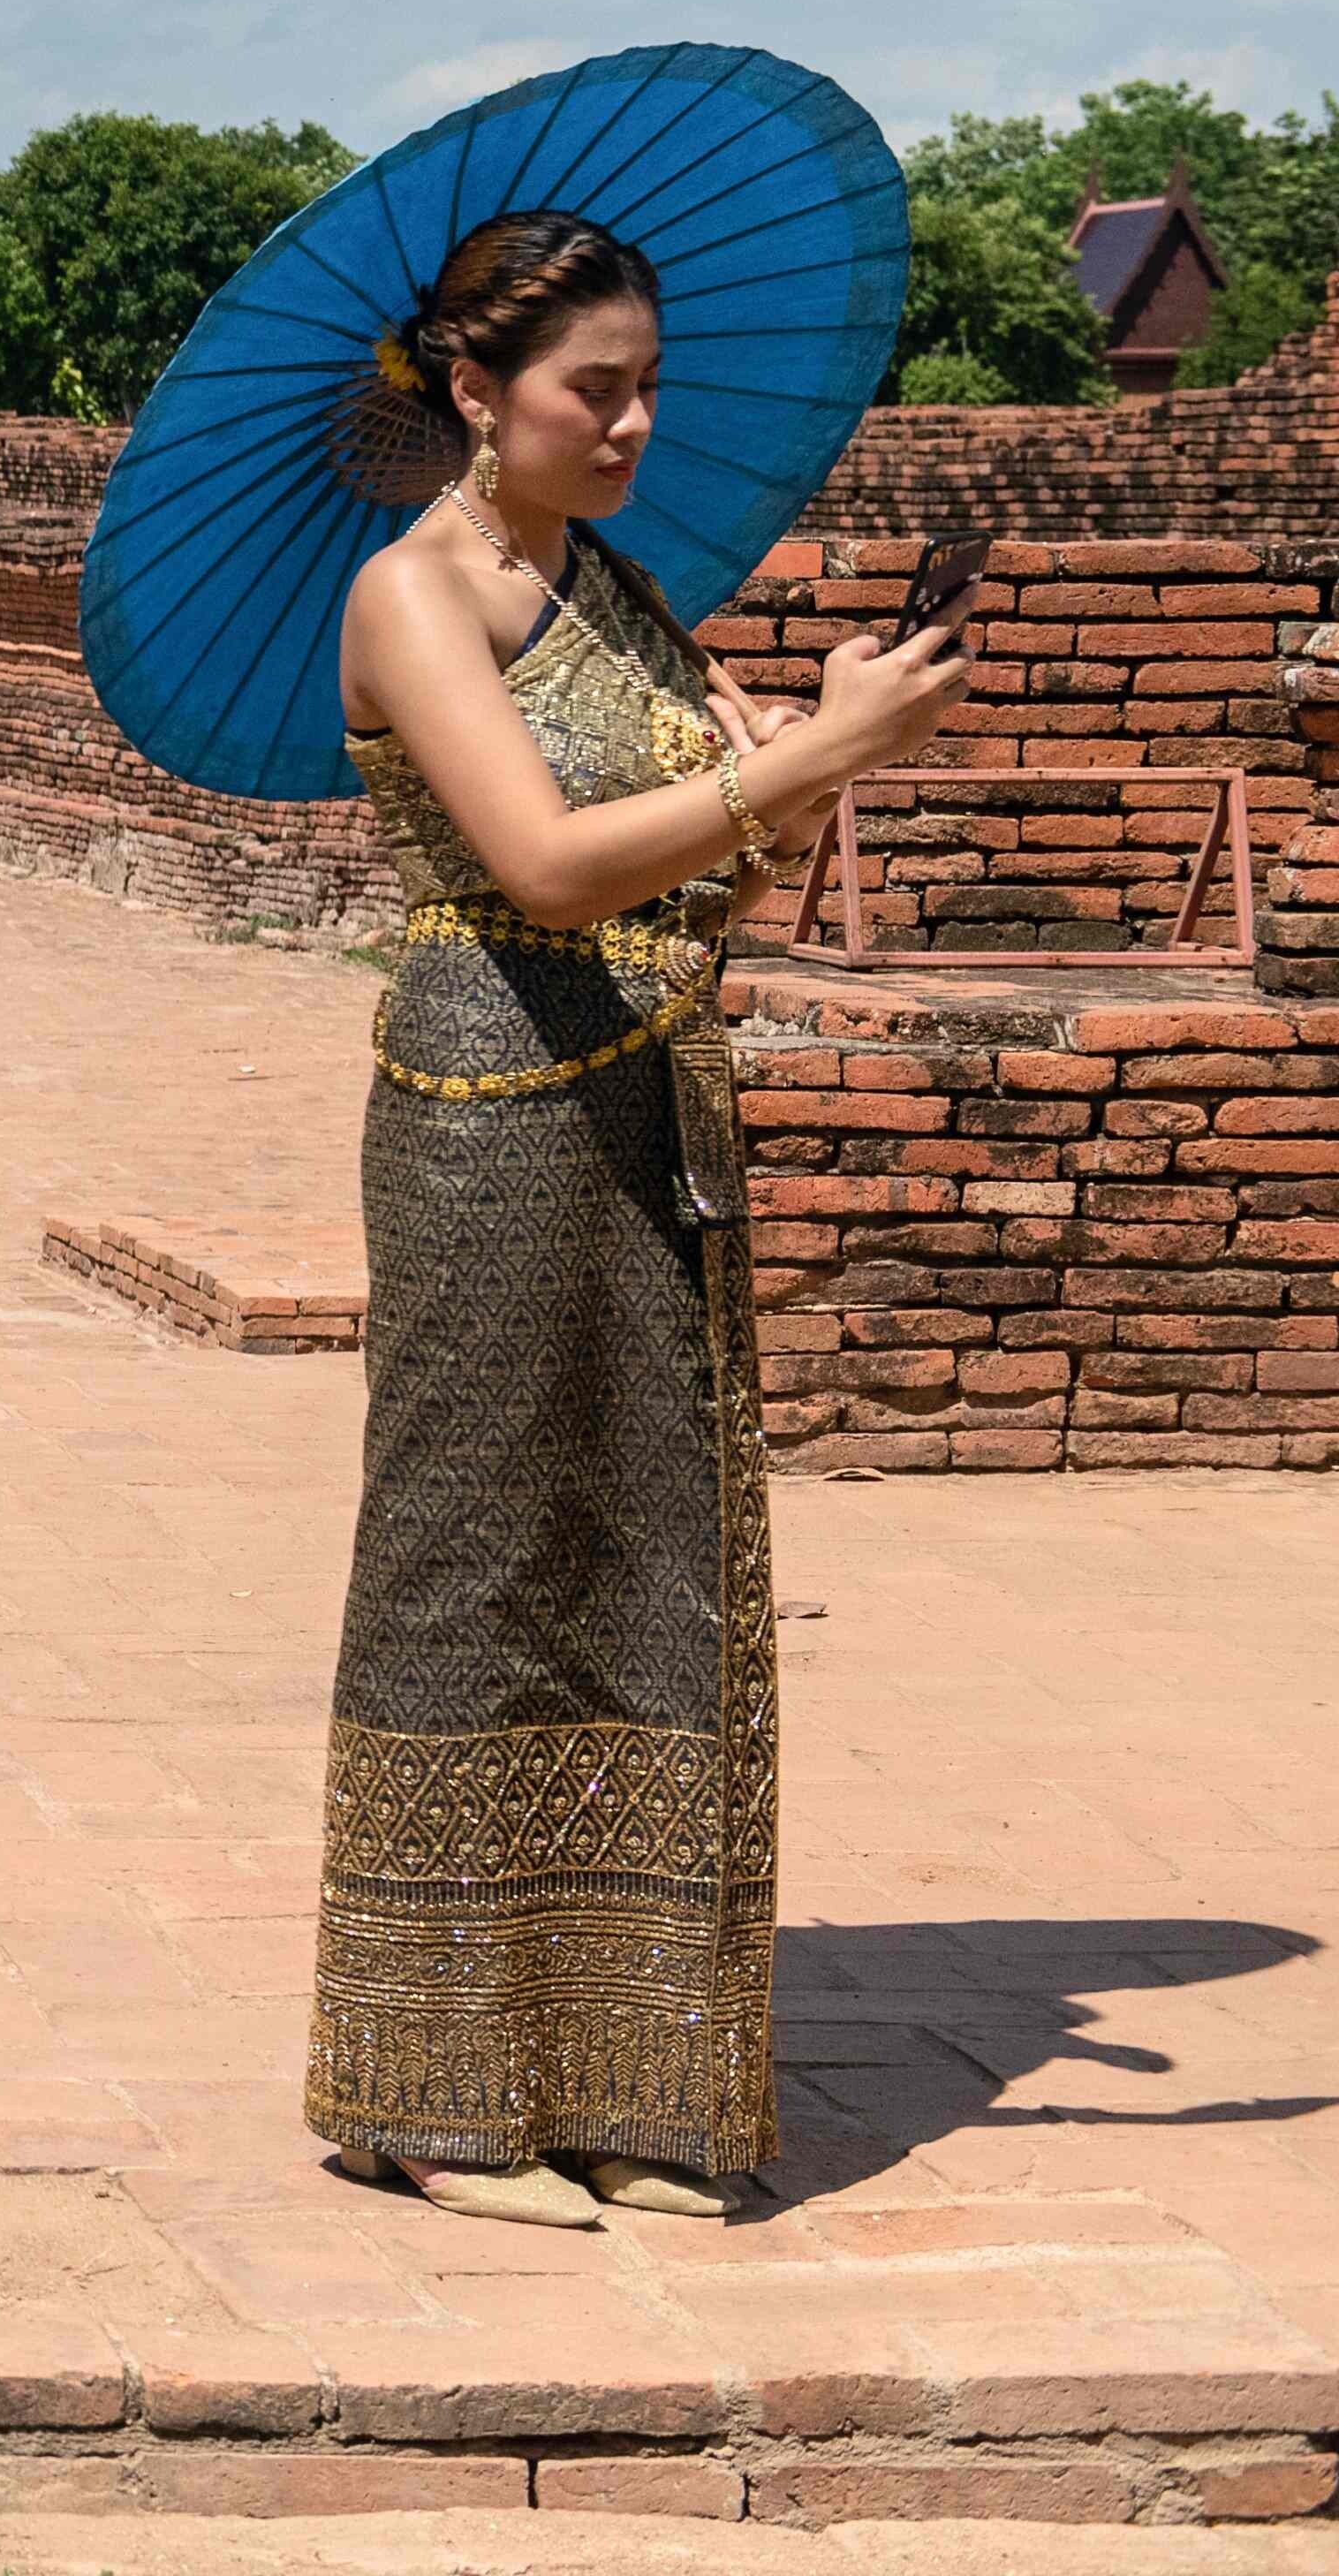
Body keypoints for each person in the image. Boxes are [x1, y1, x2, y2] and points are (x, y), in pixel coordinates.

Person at [310, 208, 963, 2225]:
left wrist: (808, 753)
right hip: (487, 1110)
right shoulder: (419, 593)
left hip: (656, 1095)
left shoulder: (621, 588)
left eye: (646, 384)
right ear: (475, 392)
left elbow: (708, 882)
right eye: (596, 388)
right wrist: (802, 768)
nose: (634, 421)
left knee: (652, 1549)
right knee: (477, 1554)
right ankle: (425, 2085)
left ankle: (619, 2074)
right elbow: (545, 864)